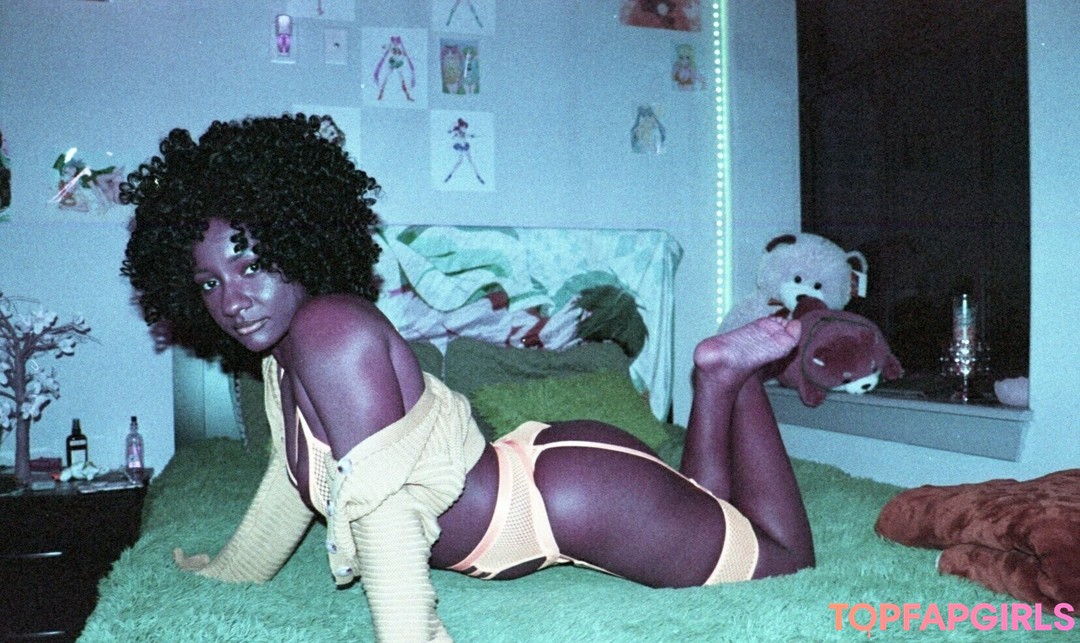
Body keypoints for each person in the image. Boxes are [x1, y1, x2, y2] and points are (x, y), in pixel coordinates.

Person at [120, 114, 813, 642]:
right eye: (208, 281)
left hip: (565, 507)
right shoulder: (284, 357)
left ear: (298, 241)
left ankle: (735, 379)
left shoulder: (330, 332)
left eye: (250, 265)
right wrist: (231, 572)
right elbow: (294, 478)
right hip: (556, 481)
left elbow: (385, 507)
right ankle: (717, 382)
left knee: (785, 559)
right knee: (707, 512)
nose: (232, 299)